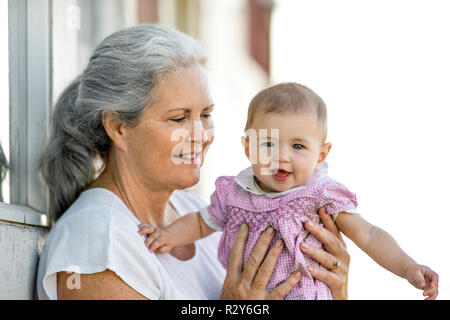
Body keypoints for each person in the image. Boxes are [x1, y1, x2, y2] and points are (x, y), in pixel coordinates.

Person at [36, 24, 350, 300]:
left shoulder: (198, 215)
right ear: (118, 128)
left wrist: (331, 290)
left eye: (206, 115)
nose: (201, 135)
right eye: (179, 118)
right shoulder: (97, 244)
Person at [139, 82, 439, 300]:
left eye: (298, 146)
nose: (282, 156)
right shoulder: (235, 192)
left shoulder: (320, 196)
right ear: (248, 147)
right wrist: (168, 235)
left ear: (321, 154)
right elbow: (201, 222)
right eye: (268, 143)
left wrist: (408, 267)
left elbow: (370, 235)